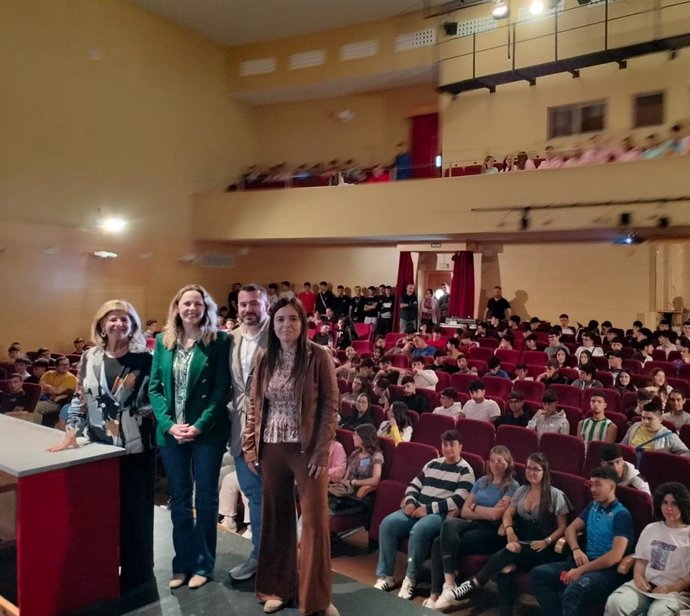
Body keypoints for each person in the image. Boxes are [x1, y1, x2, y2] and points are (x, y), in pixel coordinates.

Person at [47, 299, 155, 593]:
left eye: (125, 319)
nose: (119, 324)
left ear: (133, 325)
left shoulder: (145, 358)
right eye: (113, 319)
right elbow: (80, 397)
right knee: (104, 512)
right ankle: (105, 568)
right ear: (101, 325)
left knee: (136, 513)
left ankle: (138, 573)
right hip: (98, 447)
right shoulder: (90, 357)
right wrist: (70, 432)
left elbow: (155, 401)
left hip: (134, 447)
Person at [242, 297, 339, 616]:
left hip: (307, 449)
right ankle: (277, 589)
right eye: (281, 319)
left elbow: (330, 405)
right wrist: (250, 446)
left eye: (293, 319)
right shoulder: (264, 356)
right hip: (270, 448)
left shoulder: (318, 356)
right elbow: (254, 404)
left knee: (313, 522)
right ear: (274, 323)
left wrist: (322, 450)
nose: (286, 325)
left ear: (303, 323)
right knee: (276, 520)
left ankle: (316, 599)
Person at [149, 284, 231, 590]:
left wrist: (198, 425)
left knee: (205, 499)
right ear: (177, 307)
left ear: (206, 308)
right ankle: (181, 564)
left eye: (198, 304)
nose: (192, 309)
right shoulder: (163, 341)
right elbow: (155, 387)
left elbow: (222, 389)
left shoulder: (218, 340)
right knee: (180, 500)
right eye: (186, 304)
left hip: (206, 432)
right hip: (172, 434)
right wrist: (169, 424)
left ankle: (203, 564)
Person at [438, 452, 571, 614]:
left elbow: (563, 527)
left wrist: (547, 541)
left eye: (536, 469)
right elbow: (508, 514)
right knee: (505, 569)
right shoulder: (522, 490)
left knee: (508, 553)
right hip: (523, 544)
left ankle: (474, 583)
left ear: (544, 472)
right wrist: (509, 530)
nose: (531, 473)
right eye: (529, 468)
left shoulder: (555, 494)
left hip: (545, 548)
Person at [373, 430, 475, 600]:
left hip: (439, 515)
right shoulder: (432, 463)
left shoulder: (466, 470)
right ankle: (386, 575)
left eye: (452, 445)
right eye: (445, 444)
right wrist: (410, 501)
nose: (448, 448)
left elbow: (458, 499)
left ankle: (410, 578)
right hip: (417, 508)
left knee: (419, 530)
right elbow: (413, 485)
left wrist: (428, 509)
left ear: (460, 447)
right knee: (388, 524)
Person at [530, 466, 634, 616]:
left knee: (574, 590)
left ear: (611, 486)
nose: (592, 489)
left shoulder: (621, 515)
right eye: (591, 484)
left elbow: (615, 556)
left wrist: (580, 571)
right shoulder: (593, 506)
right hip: (583, 562)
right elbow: (570, 529)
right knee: (538, 574)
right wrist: (576, 549)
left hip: (606, 572)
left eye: (598, 484)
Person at [426, 446, 519, 608]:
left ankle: (445, 589)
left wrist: (475, 507)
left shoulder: (512, 486)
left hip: (491, 531)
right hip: (473, 524)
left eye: (500, 461)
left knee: (438, 542)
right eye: (493, 460)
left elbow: (495, 516)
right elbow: (464, 511)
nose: (496, 464)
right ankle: (441, 589)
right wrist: (484, 510)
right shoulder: (482, 481)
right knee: (446, 527)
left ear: (508, 463)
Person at [226, 284, 270, 581]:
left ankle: (276, 560)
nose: (248, 309)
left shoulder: (279, 333)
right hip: (240, 430)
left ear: (266, 304)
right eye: (243, 304)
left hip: (273, 430)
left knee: (274, 497)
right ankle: (259, 556)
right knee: (253, 494)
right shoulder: (230, 339)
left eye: (254, 303)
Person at [604, 482, 690, 616]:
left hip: (674, 592)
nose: (668, 508)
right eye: (665, 503)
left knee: (657, 612)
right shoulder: (651, 528)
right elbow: (641, 560)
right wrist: (638, 578)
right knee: (615, 602)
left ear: (683, 505)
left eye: (674, 504)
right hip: (646, 586)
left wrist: (671, 588)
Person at [621, 398, 690, 457]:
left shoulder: (669, 436)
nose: (645, 422)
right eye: (643, 418)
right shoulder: (635, 427)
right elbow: (622, 447)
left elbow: (686, 453)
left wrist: (669, 460)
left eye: (649, 418)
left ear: (660, 419)